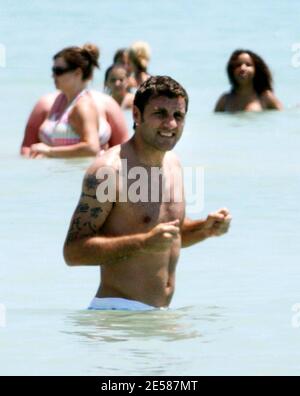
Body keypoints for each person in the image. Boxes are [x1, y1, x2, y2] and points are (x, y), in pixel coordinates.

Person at [63, 76, 232, 311]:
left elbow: (167, 236)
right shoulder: (109, 171)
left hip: (157, 316)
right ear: (136, 115)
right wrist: (143, 243)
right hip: (118, 314)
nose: (170, 124)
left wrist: (205, 229)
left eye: (178, 116)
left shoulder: (173, 163)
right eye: (160, 113)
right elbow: (73, 253)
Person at [23, 44, 129, 158]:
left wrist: (49, 151)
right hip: (57, 173)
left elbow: (92, 149)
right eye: (53, 70)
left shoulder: (85, 105)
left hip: (86, 173)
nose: (53, 75)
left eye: (59, 71)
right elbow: (26, 147)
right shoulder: (51, 103)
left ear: (78, 73)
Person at [215, 49, 282, 112]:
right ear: (232, 71)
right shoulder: (225, 100)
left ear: (256, 70)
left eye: (248, 65)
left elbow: (282, 118)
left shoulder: (266, 97)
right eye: (238, 65)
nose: (242, 68)